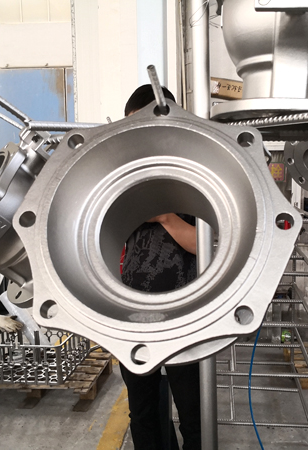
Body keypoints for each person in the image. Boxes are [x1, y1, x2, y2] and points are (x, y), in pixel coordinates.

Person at [119, 84, 202, 450]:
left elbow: (204, 245)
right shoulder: (126, 174)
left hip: (185, 314)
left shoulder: (194, 173)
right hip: (133, 315)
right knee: (143, 413)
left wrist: (166, 215)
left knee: (194, 413)